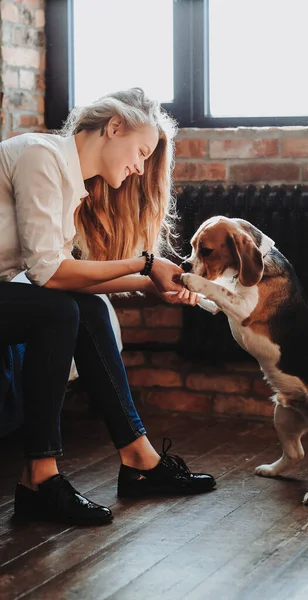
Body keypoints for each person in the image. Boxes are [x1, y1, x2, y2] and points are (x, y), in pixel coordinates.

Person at [0, 87, 215, 526]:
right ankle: (39, 478)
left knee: (90, 308)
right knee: (58, 312)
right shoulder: (41, 157)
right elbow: (49, 274)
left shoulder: (67, 181)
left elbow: (60, 271)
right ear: (113, 127)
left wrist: (151, 283)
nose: (139, 168)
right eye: (140, 151)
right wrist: (147, 264)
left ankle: (139, 460)